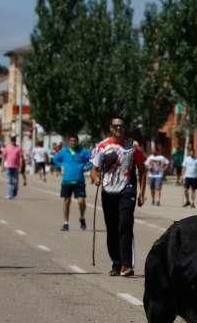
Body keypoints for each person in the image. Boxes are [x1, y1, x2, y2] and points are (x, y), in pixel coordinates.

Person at [90, 117, 146, 277]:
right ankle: (116, 262)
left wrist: (142, 193)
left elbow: (142, 169)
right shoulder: (102, 146)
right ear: (111, 128)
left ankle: (127, 265)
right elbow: (94, 169)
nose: (119, 129)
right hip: (108, 190)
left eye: (122, 126)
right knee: (112, 228)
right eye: (116, 126)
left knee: (125, 224)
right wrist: (95, 178)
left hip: (127, 190)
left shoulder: (132, 147)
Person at [53, 134, 92, 231]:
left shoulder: (83, 152)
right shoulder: (64, 151)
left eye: (74, 141)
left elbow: (93, 159)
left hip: (79, 181)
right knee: (66, 202)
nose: (73, 142)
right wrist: (61, 165)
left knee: (81, 201)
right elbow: (55, 159)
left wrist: (87, 167)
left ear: (78, 141)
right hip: (67, 180)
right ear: (68, 142)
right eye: (71, 141)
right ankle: (66, 223)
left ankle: (82, 218)